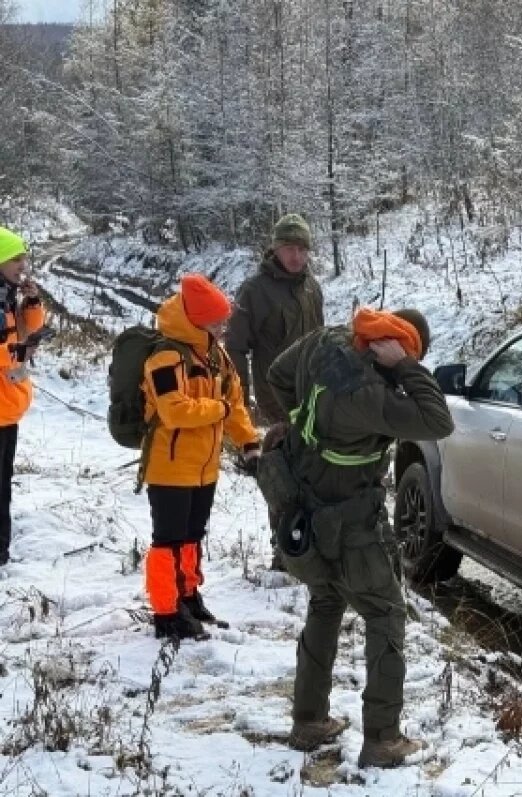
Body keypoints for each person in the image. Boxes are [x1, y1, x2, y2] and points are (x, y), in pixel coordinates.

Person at [263, 307, 452, 768]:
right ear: (393, 346)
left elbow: (276, 373)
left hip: (304, 504)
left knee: (326, 601)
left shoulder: (324, 342)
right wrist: (406, 367)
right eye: (408, 354)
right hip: (350, 519)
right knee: (386, 613)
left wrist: (300, 421)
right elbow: (437, 420)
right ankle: (383, 738)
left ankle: (308, 720)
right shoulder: (371, 396)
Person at [141, 274, 261, 640]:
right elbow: (174, 411)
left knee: (193, 536)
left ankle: (189, 597)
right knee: (168, 541)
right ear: (197, 318)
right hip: (170, 466)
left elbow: (236, 404)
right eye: (217, 319)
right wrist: (219, 409)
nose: (224, 326)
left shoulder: (215, 354)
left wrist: (249, 443)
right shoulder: (166, 356)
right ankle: (166, 612)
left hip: (205, 468)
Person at [227, 213, 324, 425]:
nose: (296, 256)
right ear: (276, 249)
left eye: (302, 249)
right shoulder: (255, 290)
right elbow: (235, 347)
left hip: (311, 391)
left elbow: (320, 340)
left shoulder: (312, 288)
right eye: (289, 249)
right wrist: (239, 401)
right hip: (275, 398)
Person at [0, 227, 46, 566]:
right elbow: (13, 347)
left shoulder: (7, 296)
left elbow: (26, 333)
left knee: (3, 484)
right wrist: (19, 353)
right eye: (15, 257)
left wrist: (31, 302)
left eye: (23, 257)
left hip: (7, 407)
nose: (22, 264)